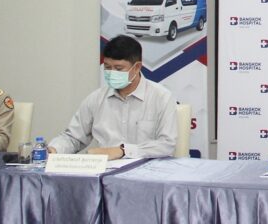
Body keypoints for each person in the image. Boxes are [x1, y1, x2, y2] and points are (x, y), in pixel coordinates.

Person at [48, 35, 177, 159]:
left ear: (137, 67)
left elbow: (166, 145)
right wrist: (55, 149)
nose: (111, 73)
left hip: (147, 170)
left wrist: (123, 151)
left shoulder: (161, 97)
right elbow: (73, 137)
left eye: (119, 68)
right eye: (107, 67)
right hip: (105, 170)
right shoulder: (96, 99)